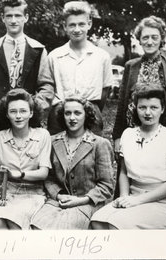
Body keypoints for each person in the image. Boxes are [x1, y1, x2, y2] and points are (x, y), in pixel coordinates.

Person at [91, 84, 166, 229]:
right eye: (142, 107)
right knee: (97, 221)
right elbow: (123, 172)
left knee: (116, 226)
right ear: (136, 108)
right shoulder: (128, 134)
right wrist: (123, 197)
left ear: (163, 109)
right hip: (132, 197)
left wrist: (138, 201)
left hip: (164, 202)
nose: (148, 113)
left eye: (154, 107)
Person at [0, 0, 54, 138]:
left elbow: (46, 85)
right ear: (3, 18)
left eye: (18, 15)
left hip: (28, 121)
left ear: (26, 17)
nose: (13, 20)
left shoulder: (38, 50)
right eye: (9, 16)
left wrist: (34, 109)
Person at [31, 96, 115, 229]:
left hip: (87, 203)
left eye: (77, 113)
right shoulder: (52, 141)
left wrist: (80, 200)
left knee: (64, 228)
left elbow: (106, 185)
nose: (72, 118)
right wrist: (58, 195)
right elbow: (48, 177)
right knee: (36, 226)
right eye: (67, 113)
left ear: (86, 115)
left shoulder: (99, 144)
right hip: (58, 202)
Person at [112, 15, 166, 159]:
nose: (149, 42)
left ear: (161, 39)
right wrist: (117, 136)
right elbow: (122, 104)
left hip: (161, 133)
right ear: (139, 39)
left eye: (154, 37)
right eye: (145, 38)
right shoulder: (131, 66)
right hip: (132, 132)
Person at [0, 88, 51, 229]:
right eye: (13, 111)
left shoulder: (42, 135)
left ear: (31, 113)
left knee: (14, 220)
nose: (18, 116)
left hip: (32, 193)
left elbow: (44, 172)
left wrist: (19, 174)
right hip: (7, 193)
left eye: (23, 111)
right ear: (7, 114)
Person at [48, 1, 113, 135]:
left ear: (89, 24)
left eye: (81, 24)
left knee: (91, 151)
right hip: (60, 114)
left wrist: (91, 108)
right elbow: (48, 87)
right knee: (57, 151)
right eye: (72, 25)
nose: (77, 29)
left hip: (91, 112)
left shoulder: (101, 56)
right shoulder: (54, 56)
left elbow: (105, 89)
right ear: (65, 26)